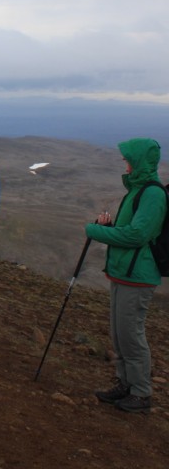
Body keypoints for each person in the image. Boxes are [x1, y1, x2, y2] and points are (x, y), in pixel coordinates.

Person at [86, 137, 167, 414]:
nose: (125, 162)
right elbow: (128, 227)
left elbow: (137, 235)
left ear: (140, 160)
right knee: (119, 335)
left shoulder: (153, 193)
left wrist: (96, 231)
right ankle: (124, 384)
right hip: (123, 273)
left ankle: (141, 392)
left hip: (139, 275)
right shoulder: (137, 190)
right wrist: (107, 225)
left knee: (131, 335)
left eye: (128, 158)